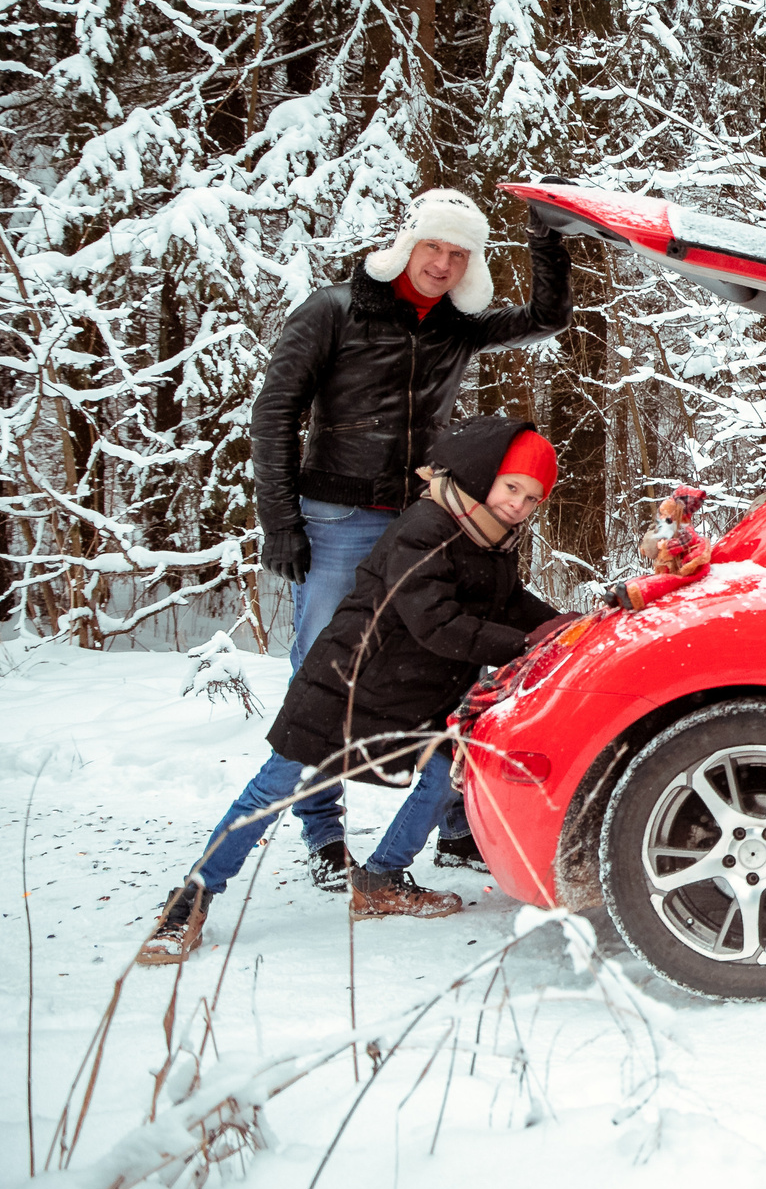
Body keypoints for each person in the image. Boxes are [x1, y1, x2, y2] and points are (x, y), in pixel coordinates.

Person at [139, 419, 565, 966]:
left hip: (411, 693)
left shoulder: (488, 536)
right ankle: (188, 904)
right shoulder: (426, 527)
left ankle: (381, 879)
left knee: (448, 768)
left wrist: (564, 625)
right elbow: (436, 622)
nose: (519, 505)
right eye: (512, 487)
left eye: (533, 498)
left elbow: (505, 597)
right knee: (269, 794)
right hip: (346, 684)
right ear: (484, 475)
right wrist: (525, 642)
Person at [250, 188, 571, 884]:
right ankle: (324, 837)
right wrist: (280, 520)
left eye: (460, 254)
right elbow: (275, 411)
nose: (444, 264)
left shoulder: (455, 326)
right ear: (409, 244)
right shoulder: (334, 310)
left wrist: (545, 240)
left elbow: (547, 317)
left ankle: (454, 824)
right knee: (325, 677)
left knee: (451, 662)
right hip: (335, 517)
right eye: (435, 246)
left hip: (429, 518)